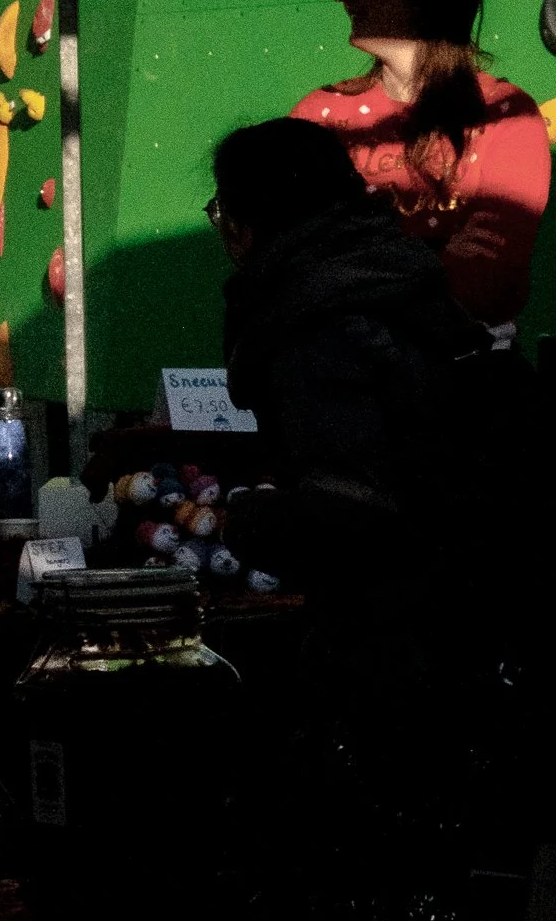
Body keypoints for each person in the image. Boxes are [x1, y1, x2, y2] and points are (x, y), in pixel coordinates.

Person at [208, 115, 491, 601]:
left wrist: (245, 522)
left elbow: (351, 516)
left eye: (221, 211)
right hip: (470, 598)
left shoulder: (315, 322)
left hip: (394, 627)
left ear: (246, 225)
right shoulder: (394, 273)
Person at [291, 0, 549, 328]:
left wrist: (357, 272)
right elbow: (291, 262)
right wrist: (433, 259)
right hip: (340, 365)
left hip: (464, 371)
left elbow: (490, 275)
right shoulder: (319, 113)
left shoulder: (506, 114)